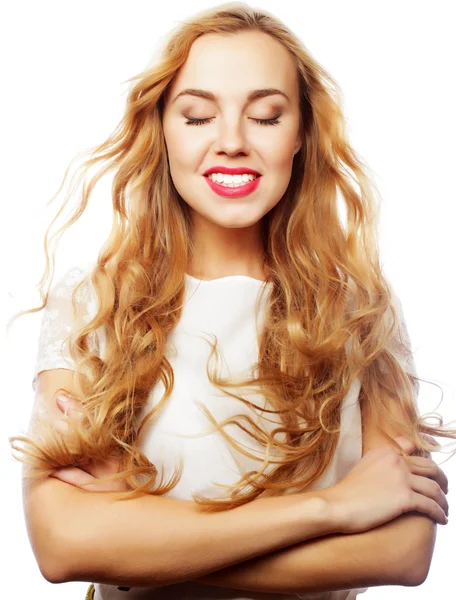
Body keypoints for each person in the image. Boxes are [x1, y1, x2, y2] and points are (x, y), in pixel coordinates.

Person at [9, 3, 454, 600]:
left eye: (266, 117)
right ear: (161, 128)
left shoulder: (360, 312)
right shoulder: (95, 304)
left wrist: (138, 545)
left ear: (300, 134)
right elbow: (64, 546)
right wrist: (333, 510)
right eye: (197, 117)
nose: (232, 143)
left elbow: (400, 553)